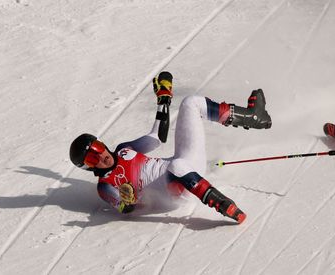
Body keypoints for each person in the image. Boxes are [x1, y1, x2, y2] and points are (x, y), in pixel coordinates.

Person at [69, 72, 272, 224]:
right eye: (92, 159)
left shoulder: (124, 149)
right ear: (89, 167)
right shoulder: (104, 185)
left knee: (191, 103)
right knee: (177, 166)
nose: (101, 156)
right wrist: (128, 199)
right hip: (175, 192)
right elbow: (125, 208)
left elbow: (157, 138)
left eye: (97, 148)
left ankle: (252, 116)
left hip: (188, 166)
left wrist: (163, 99)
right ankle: (223, 204)